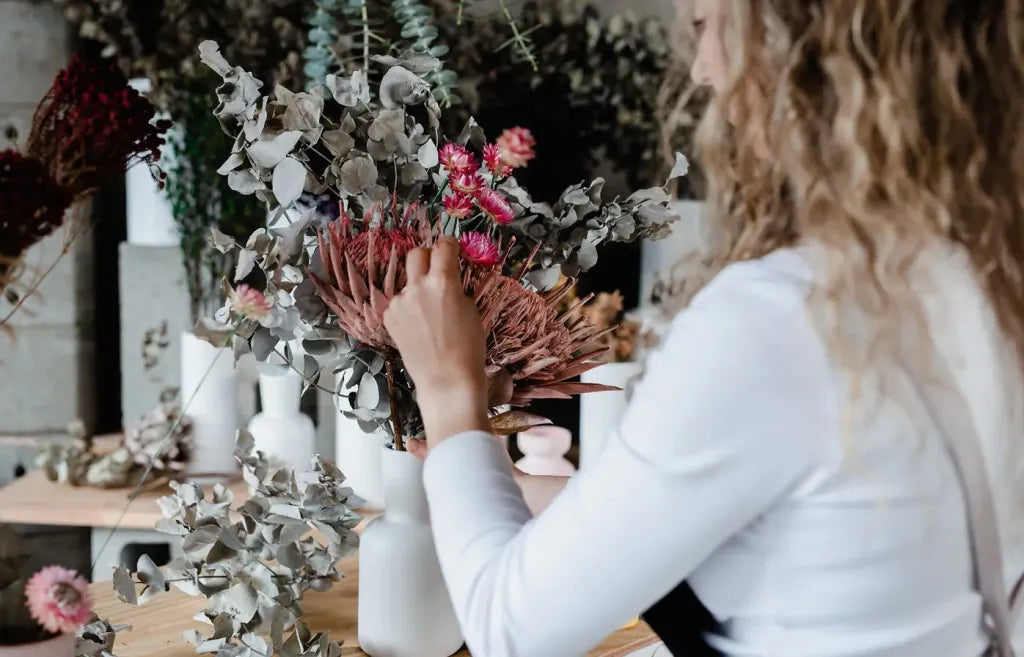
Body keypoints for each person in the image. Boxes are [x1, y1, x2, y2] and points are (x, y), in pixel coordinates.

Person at [382, 0, 1024, 655]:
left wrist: (448, 387)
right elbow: (812, 520)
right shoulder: (976, 277)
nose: (705, 69)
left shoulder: (778, 320)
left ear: (799, 40)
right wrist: (519, 490)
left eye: (710, 23)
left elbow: (509, 628)